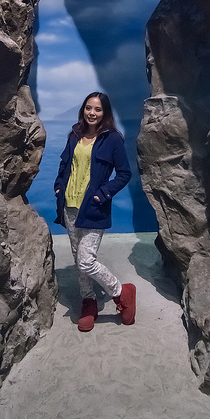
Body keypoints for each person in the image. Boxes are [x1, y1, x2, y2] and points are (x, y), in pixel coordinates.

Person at [54, 91, 136, 332]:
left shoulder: (113, 140)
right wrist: (59, 187)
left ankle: (121, 292)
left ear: (105, 112)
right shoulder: (74, 135)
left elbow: (124, 173)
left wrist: (103, 193)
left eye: (97, 109)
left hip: (93, 209)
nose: (92, 113)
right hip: (69, 206)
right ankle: (89, 302)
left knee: (86, 261)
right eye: (88, 108)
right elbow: (65, 164)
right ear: (83, 110)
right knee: (78, 260)